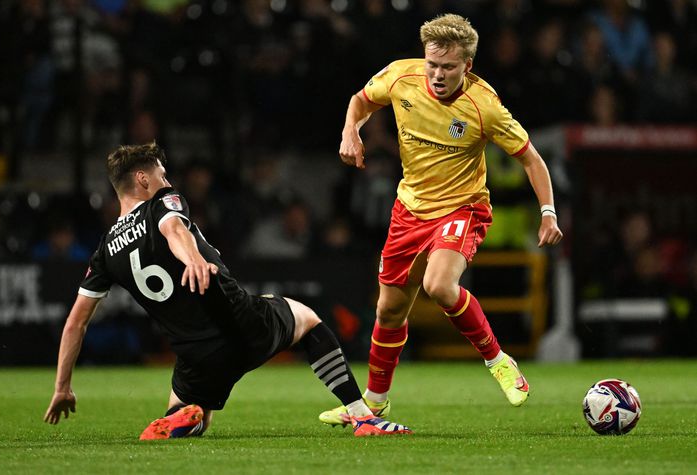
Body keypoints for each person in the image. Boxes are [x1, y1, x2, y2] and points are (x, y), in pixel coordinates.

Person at [43, 142, 411, 439]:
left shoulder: (105, 249)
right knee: (309, 320)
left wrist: (62, 387)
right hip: (238, 321)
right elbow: (175, 231)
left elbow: (76, 323)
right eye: (161, 174)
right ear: (142, 178)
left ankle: (184, 416)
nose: (167, 182)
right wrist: (193, 260)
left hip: (195, 354)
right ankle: (363, 417)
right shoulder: (163, 203)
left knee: (190, 409)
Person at [320, 13, 563, 426]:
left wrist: (548, 212)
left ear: (467, 67)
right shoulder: (402, 77)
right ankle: (374, 403)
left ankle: (498, 360)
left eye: (448, 67)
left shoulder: (485, 107)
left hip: (461, 208)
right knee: (388, 313)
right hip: (409, 210)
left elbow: (532, 160)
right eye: (432, 63)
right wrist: (350, 131)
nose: (436, 74)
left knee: (439, 285)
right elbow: (361, 101)